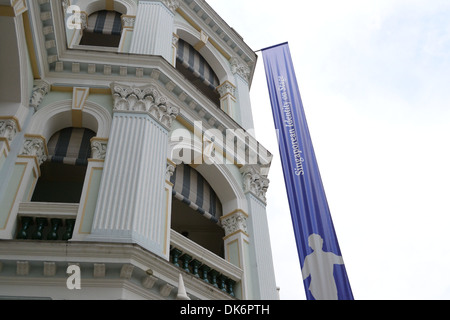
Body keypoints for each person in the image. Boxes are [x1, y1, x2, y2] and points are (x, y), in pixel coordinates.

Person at [301, 234, 344, 300]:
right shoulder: (309, 259)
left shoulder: (329, 255)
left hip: (330, 287)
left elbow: (341, 260)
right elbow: (304, 274)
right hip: (318, 289)